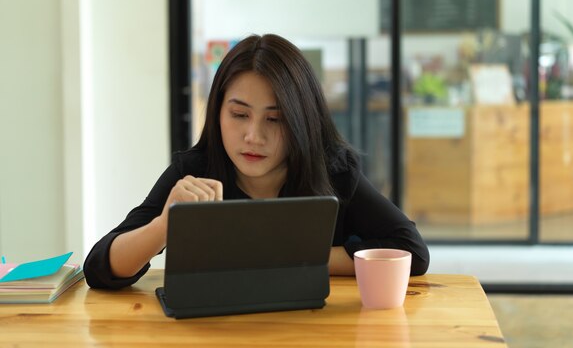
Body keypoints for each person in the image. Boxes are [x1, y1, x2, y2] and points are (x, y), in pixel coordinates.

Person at [83, 34, 429, 289]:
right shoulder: (195, 171)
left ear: (301, 122)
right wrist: (163, 227)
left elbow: (411, 252)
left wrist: (291, 257)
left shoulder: (333, 170)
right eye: (238, 114)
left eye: (274, 120)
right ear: (217, 112)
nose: (253, 136)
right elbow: (99, 267)